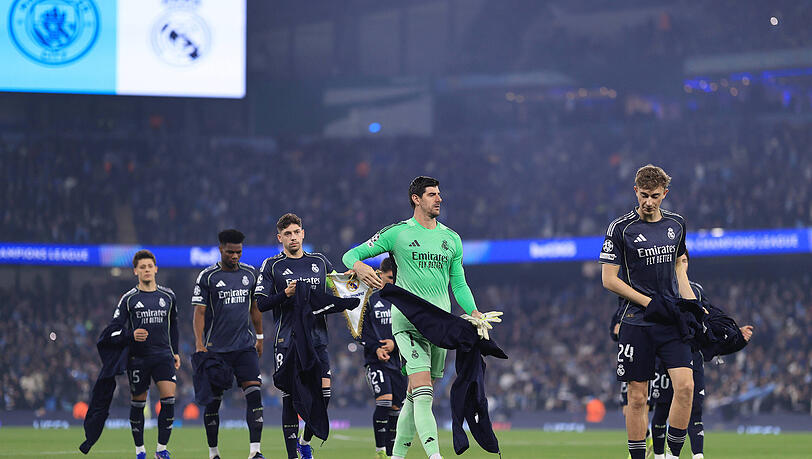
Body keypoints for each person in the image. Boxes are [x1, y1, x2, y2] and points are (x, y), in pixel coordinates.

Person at [343, 176, 496, 459]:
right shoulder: (397, 233)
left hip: (440, 325)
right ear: (416, 198)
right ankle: (435, 456)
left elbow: (458, 284)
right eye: (432, 194)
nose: (439, 199)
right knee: (424, 392)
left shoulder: (451, 238)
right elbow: (351, 253)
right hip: (407, 323)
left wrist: (474, 312)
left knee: (414, 397)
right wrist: (359, 266)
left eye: (439, 194)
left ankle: (397, 456)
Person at [600, 165, 697, 459]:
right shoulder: (620, 228)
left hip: (670, 320)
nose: (649, 202)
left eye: (655, 196)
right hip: (636, 321)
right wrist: (647, 302)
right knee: (637, 397)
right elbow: (609, 279)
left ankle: (671, 455)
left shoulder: (677, 224)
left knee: (686, 388)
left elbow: (681, 264)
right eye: (644, 195)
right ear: (636, 192)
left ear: (664, 194)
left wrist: (691, 304)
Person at [254, 213, 336, 459]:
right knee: (290, 399)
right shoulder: (272, 266)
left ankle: (304, 441)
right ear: (280, 238)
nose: (292, 237)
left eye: (296, 232)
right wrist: (285, 294)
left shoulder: (320, 262)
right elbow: (261, 304)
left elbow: (337, 288)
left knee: (325, 395)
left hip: (317, 338)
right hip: (287, 341)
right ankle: (292, 456)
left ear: (303, 233)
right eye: (287, 234)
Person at [649, 281, 755, 459]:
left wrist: (737, 336)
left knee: (695, 412)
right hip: (666, 358)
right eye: (680, 261)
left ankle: (697, 456)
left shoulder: (696, 290)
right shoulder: (664, 287)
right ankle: (660, 456)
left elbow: (711, 329)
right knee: (662, 409)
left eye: (685, 260)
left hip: (694, 358)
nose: (682, 264)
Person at [192, 229, 265, 459]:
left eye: (239, 252)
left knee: (254, 394)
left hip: (244, 347)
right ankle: (213, 453)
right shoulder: (208, 277)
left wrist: (260, 336)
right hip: (216, 350)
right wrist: (199, 344)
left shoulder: (250, 274)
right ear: (220, 249)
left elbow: (255, 308)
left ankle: (255, 452)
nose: (235, 256)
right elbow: (199, 313)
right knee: (213, 404)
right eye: (230, 252)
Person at [109, 250, 179, 459]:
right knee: (138, 403)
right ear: (135, 271)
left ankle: (161, 449)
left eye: (150, 266)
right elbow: (113, 330)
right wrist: (131, 334)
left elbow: (173, 326)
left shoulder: (168, 296)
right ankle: (140, 451)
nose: (146, 270)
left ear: (156, 269)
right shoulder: (128, 299)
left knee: (168, 399)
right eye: (142, 267)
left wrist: (175, 352)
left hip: (163, 355)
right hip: (138, 358)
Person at [360, 257, 407, 459]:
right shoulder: (370, 299)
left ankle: (390, 453)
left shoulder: (404, 301)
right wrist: (376, 348)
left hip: (399, 362)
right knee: (385, 402)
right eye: (390, 278)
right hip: (376, 360)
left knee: (397, 409)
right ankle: (380, 451)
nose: (393, 282)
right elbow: (361, 330)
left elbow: (410, 329)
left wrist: (395, 344)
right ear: (381, 275)